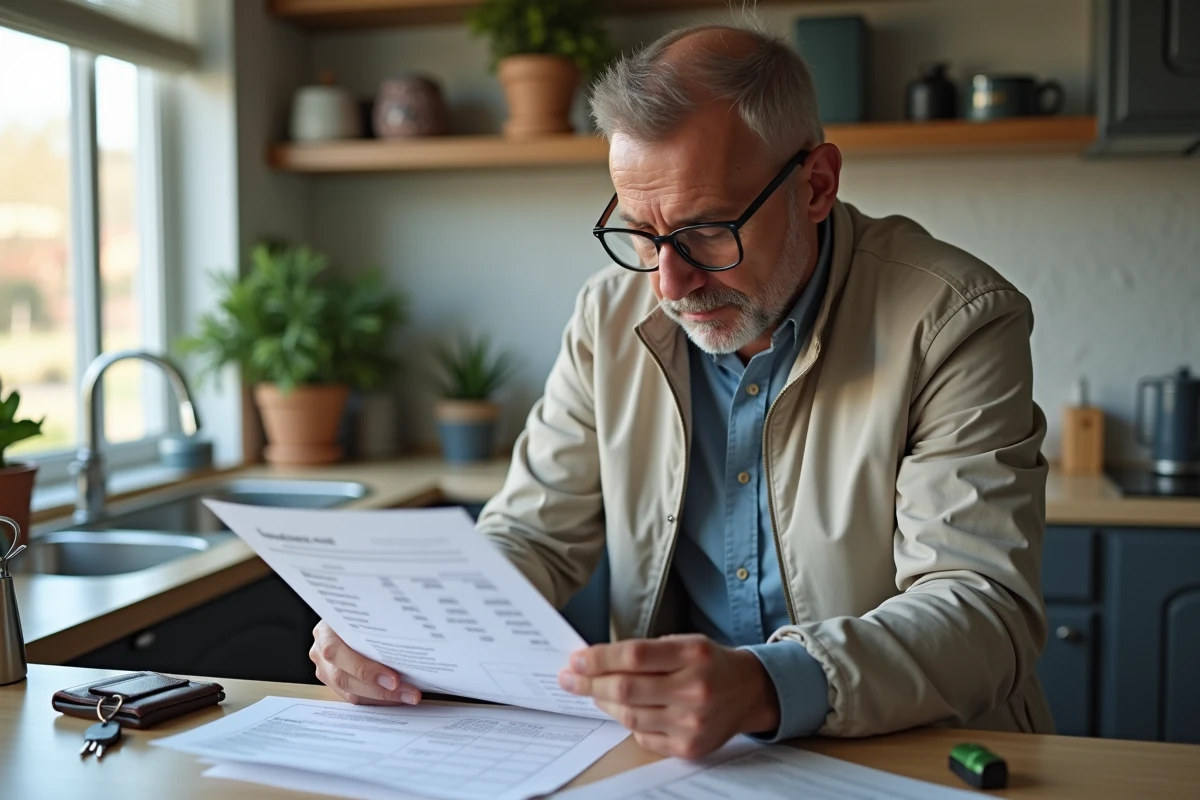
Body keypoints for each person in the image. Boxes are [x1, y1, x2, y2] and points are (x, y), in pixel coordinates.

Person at [310, 20, 1053, 759]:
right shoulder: (609, 316)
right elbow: (532, 535)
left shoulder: (955, 320)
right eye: (641, 232)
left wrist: (766, 684)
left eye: (706, 231)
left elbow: (983, 609)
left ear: (818, 184)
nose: (670, 283)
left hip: (910, 753)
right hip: (679, 764)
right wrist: (411, 628)